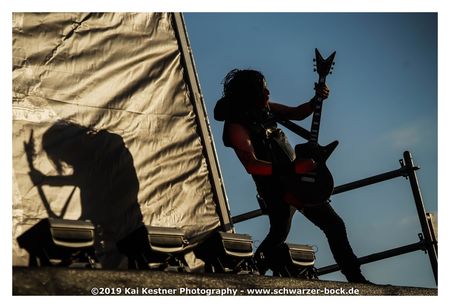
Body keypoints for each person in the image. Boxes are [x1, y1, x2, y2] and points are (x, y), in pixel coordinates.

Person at [214, 69, 369, 283]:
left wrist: (316, 99)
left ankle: (356, 279)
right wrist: (293, 169)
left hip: (299, 182)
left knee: (334, 225)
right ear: (250, 93)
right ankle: (247, 278)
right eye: (262, 88)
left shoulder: (265, 109)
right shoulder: (235, 126)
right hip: (276, 190)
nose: (268, 92)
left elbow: (297, 113)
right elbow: (252, 165)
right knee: (278, 234)